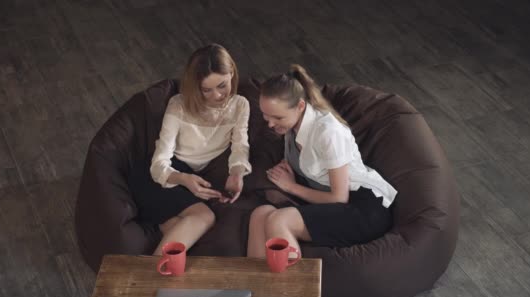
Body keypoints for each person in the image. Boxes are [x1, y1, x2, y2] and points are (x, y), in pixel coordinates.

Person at [247, 64, 397, 258]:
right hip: (330, 205)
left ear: (300, 106)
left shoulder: (328, 131)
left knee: (279, 220)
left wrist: (290, 187)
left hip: (363, 207)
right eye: (266, 115)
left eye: (277, 117)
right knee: (260, 215)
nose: (270, 123)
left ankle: (294, 287)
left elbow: (339, 197)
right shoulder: (291, 129)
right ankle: (255, 286)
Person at [130, 44, 251, 255]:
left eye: (222, 85)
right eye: (207, 89)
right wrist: (183, 179)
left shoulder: (240, 105)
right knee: (205, 217)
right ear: (196, 86)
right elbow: (158, 164)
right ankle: (150, 277)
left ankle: (155, 277)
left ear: (232, 72)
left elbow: (241, 145)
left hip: (195, 178)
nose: (217, 96)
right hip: (162, 174)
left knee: (180, 231)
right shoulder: (178, 104)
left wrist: (237, 173)